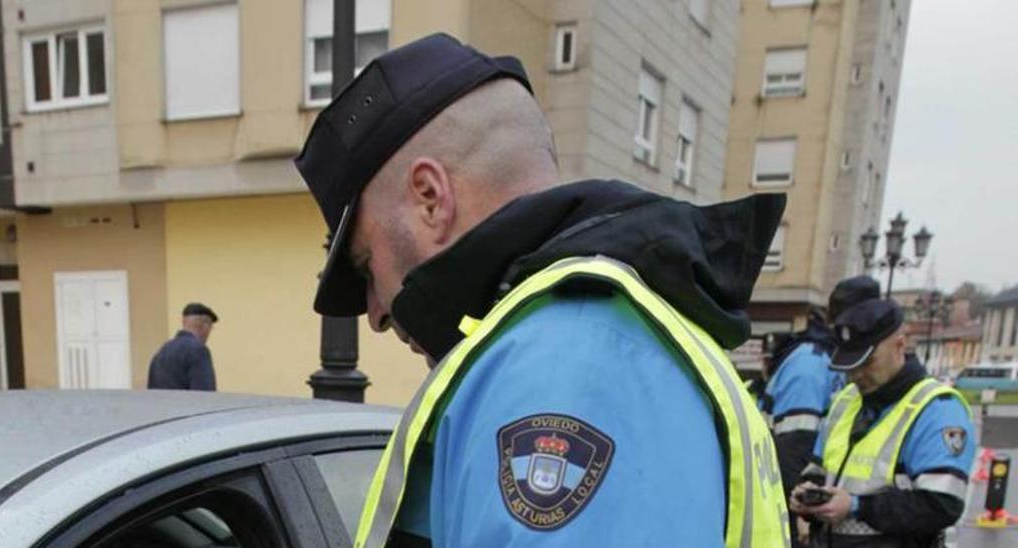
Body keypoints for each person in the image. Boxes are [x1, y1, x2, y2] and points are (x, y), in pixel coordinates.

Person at [295, 33, 789, 546]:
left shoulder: (568, 361)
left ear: (429, 198)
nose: (375, 312)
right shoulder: (608, 336)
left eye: (366, 264)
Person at [791, 299, 974, 547]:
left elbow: (942, 505)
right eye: (849, 365)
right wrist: (807, 496)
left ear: (900, 345)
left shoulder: (937, 408)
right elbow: (819, 469)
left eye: (867, 363)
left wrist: (856, 506)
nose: (856, 375)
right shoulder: (847, 400)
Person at [762, 277, 881, 528]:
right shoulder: (811, 365)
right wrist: (802, 515)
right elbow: (794, 447)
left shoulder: (832, 360)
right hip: (791, 508)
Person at [147, 303, 218, 391]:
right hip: (187, 404)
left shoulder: (162, 351)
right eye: (210, 326)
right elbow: (205, 393)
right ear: (203, 324)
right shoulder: (198, 350)